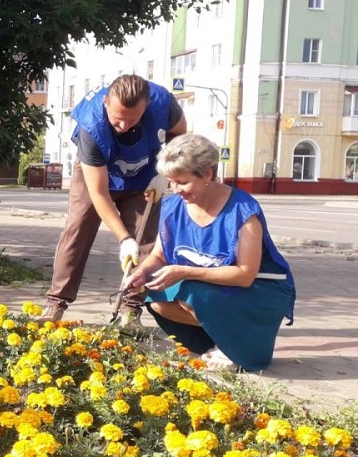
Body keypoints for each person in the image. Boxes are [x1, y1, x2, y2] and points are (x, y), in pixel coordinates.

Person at [121, 134, 295, 371]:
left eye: (182, 182)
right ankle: (217, 342)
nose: (175, 189)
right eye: (171, 181)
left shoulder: (243, 212)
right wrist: (141, 273)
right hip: (216, 290)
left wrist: (184, 271)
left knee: (194, 292)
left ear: (208, 174)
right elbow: (159, 256)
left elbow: (245, 275)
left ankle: (237, 346)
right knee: (157, 298)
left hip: (260, 290)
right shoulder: (173, 207)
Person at [39, 74, 186, 329]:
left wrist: (165, 173)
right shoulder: (92, 125)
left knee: (144, 242)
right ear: (106, 102)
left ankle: (130, 310)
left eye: (133, 119)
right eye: (118, 118)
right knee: (77, 230)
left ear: (147, 106)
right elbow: (98, 194)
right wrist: (123, 239)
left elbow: (180, 135)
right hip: (95, 175)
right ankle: (56, 303)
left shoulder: (163, 103)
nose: (123, 126)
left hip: (144, 176)